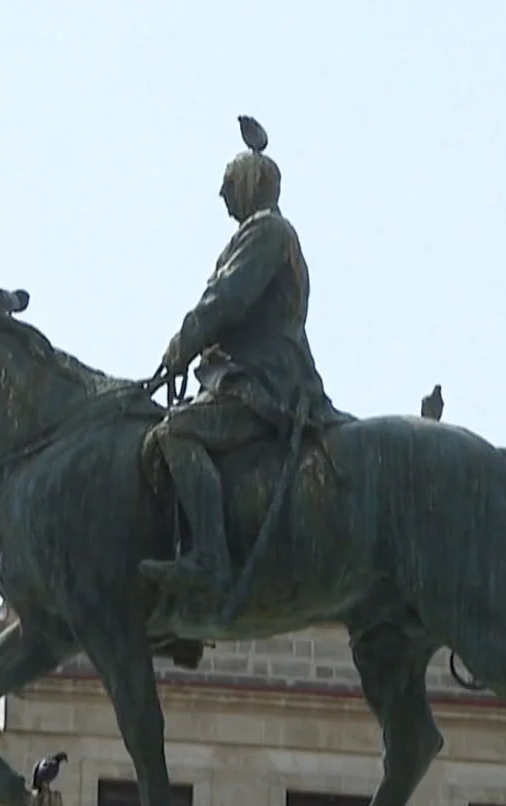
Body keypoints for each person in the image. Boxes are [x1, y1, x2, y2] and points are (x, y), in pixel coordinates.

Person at [140, 118, 349, 601]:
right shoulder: (265, 232)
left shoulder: (267, 231)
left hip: (265, 381)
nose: (221, 195)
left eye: (229, 184)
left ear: (251, 183)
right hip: (246, 377)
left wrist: (182, 344)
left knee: (178, 431)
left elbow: (227, 300)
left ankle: (210, 557)